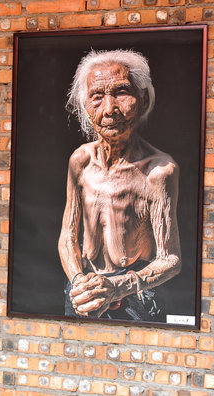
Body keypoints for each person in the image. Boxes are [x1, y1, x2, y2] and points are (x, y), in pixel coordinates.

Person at [59, 49, 181, 322]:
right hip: (83, 288)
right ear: (84, 105)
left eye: (122, 92)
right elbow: (67, 236)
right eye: (97, 96)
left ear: (143, 99)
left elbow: (170, 258)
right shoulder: (80, 161)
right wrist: (79, 283)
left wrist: (116, 287)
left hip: (135, 292)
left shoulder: (158, 171)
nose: (109, 109)